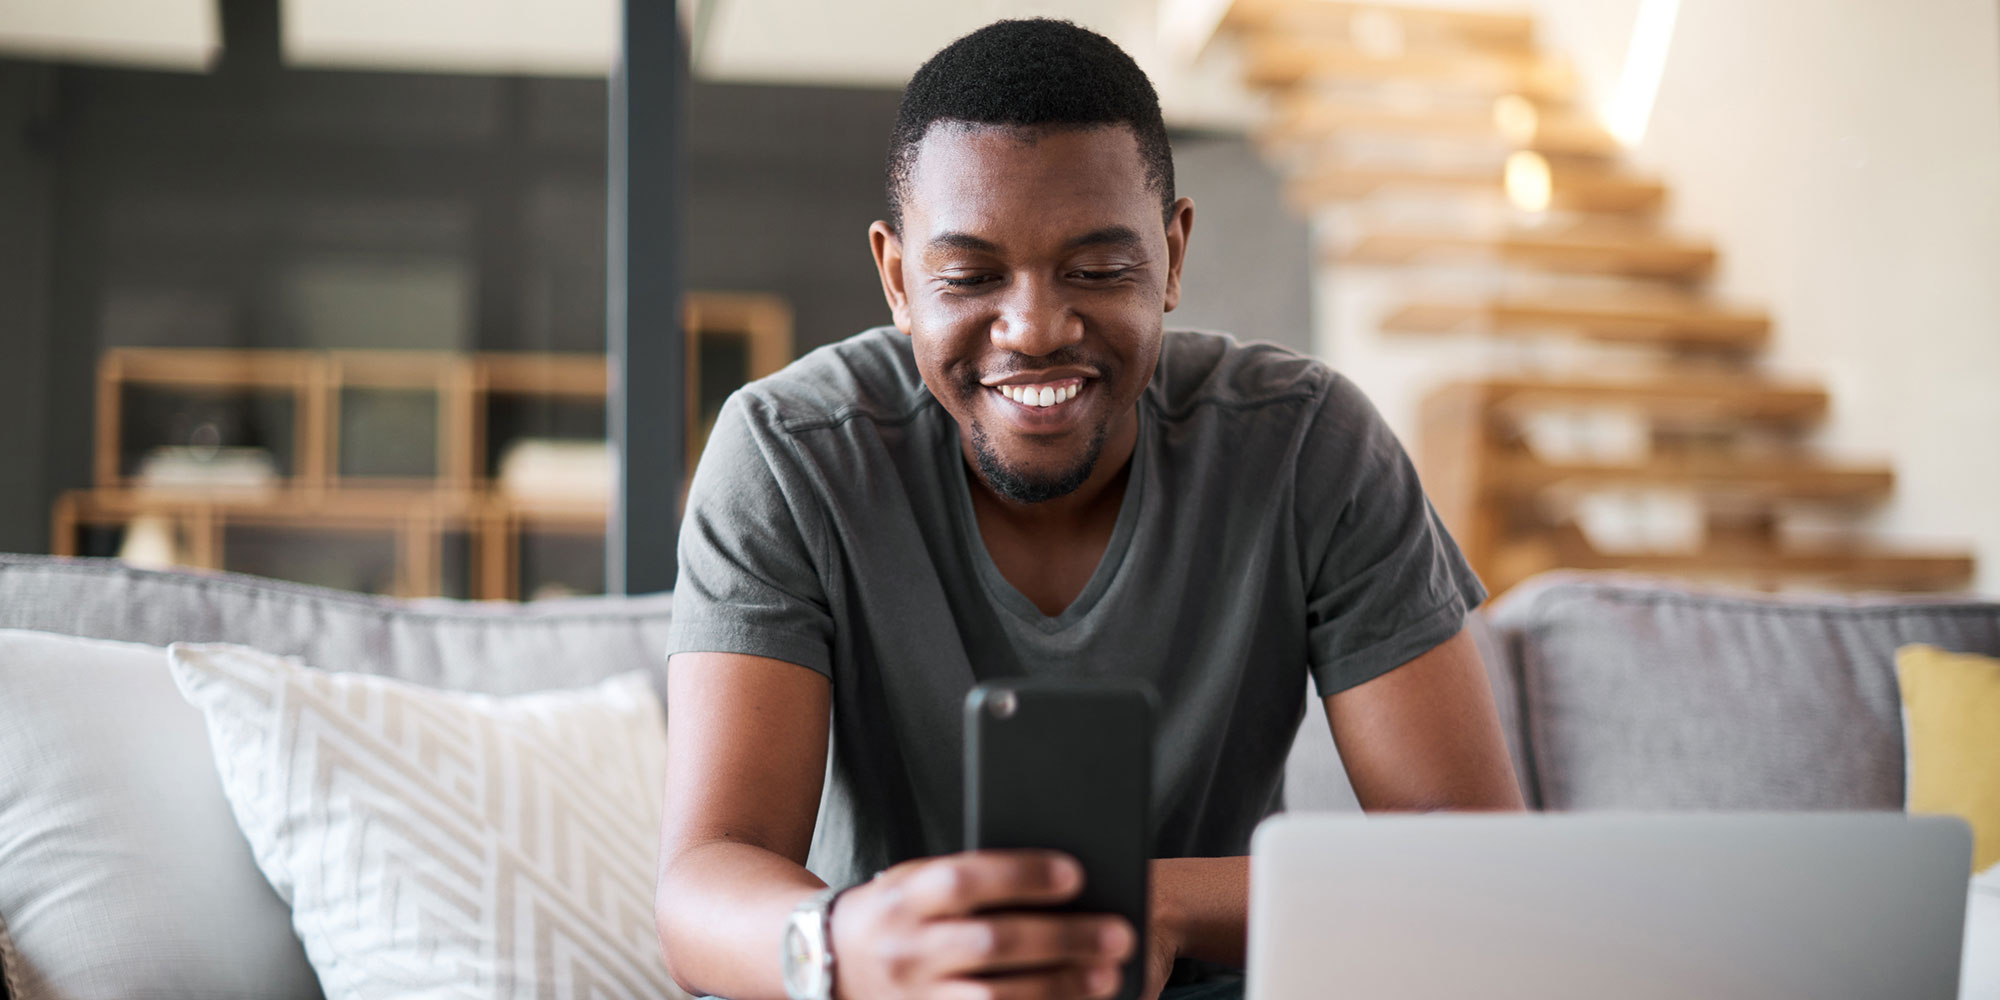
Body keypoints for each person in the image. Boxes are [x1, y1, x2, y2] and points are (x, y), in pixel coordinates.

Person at [654, 17, 1523, 1000]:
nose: (1034, 328)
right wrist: (853, 946)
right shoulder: (786, 452)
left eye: (1099, 270)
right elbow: (704, 879)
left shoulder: (1307, 446)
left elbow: (1473, 863)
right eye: (969, 275)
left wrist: (1163, 904)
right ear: (897, 279)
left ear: (1173, 252)